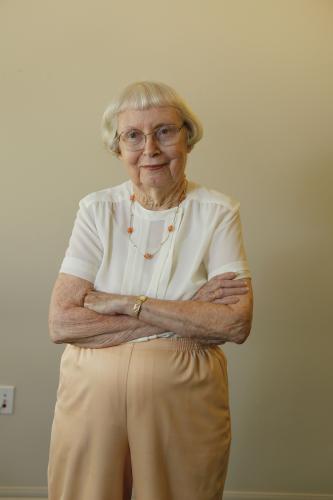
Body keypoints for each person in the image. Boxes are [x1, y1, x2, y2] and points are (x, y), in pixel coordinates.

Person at [48, 81, 253, 500]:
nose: (151, 150)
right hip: (91, 399)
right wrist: (185, 312)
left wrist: (127, 303)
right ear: (118, 149)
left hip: (183, 398)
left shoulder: (218, 211)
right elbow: (62, 321)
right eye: (134, 136)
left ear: (188, 138)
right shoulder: (96, 209)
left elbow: (234, 323)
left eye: (165, 131)